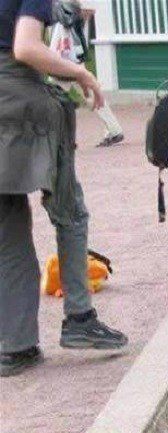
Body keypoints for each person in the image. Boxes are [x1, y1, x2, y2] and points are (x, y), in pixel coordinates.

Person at [0, 0, 128, 378]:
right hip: (20, 101)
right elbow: (26, 47)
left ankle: (15, 346)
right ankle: (79, 317)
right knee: (69, 212)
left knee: (9, 230)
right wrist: (81, 74)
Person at [49, 0, 124, 147]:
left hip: (63, 62)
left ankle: (60, 136)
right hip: (74, 59)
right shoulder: (71, 19)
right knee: (91, 94)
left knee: (52, 97)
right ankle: (114, 129)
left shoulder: (63, 19)